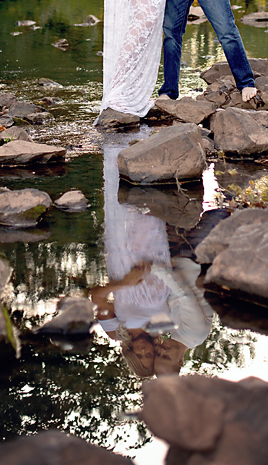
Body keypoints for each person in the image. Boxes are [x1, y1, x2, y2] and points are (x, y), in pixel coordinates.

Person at [89, 143, 213, 378]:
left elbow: (96, 295)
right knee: (150, 213)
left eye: (141, 357)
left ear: (131, 355)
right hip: (157, 257)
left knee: (120, 209)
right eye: (150, 356)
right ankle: (148, 148)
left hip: (124, 263)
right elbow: (182, 294)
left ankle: (117, 151)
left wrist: (125, 283)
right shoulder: (167, 328)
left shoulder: (116, 333)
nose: (146, 352)